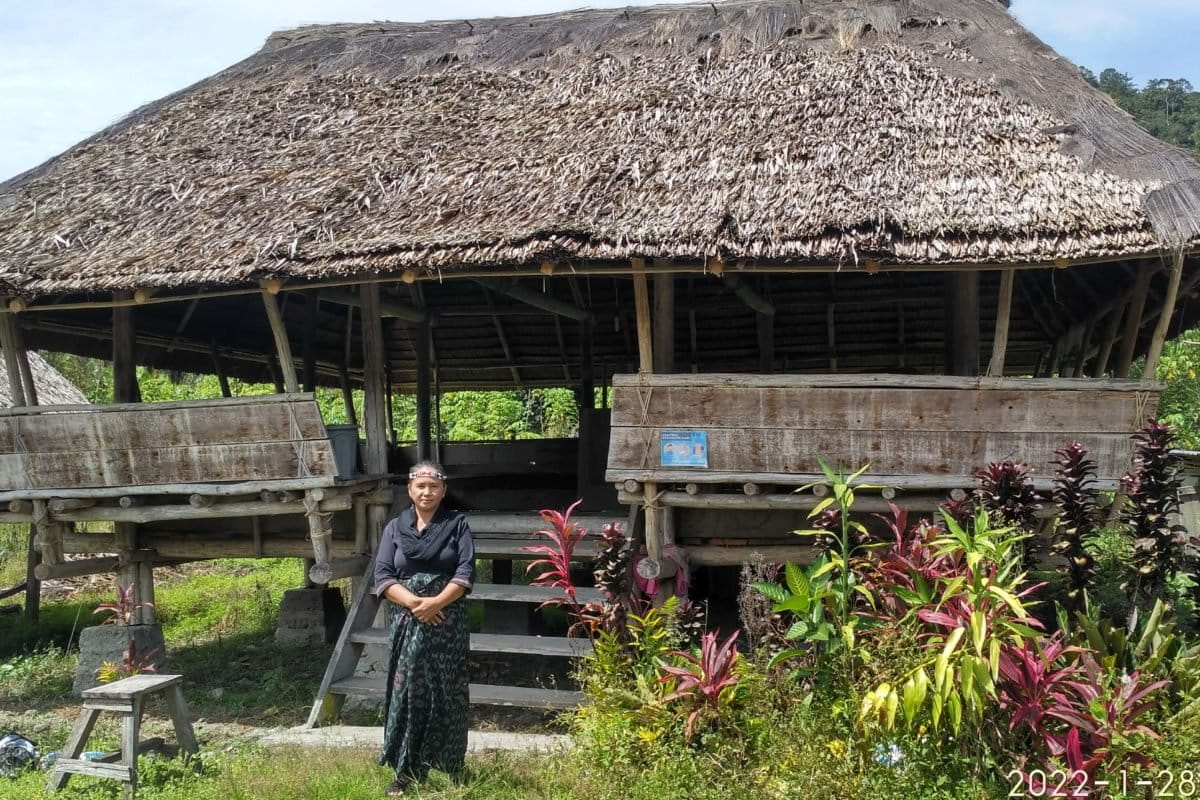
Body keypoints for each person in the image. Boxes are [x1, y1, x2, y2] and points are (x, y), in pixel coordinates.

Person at [373, 461, 475, 797]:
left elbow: (465, 573)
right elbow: (383, 576)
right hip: (407, 621)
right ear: (410, 490)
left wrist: (436, 604)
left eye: (433, 486)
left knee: (447, 691)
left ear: (443, 491)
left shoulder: (457, 525)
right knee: (408, 692)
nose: (427, 492)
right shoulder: (395, 528)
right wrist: (417, 605)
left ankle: (451, 765)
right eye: (421, 486)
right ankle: (405, 771)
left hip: (448, 622)